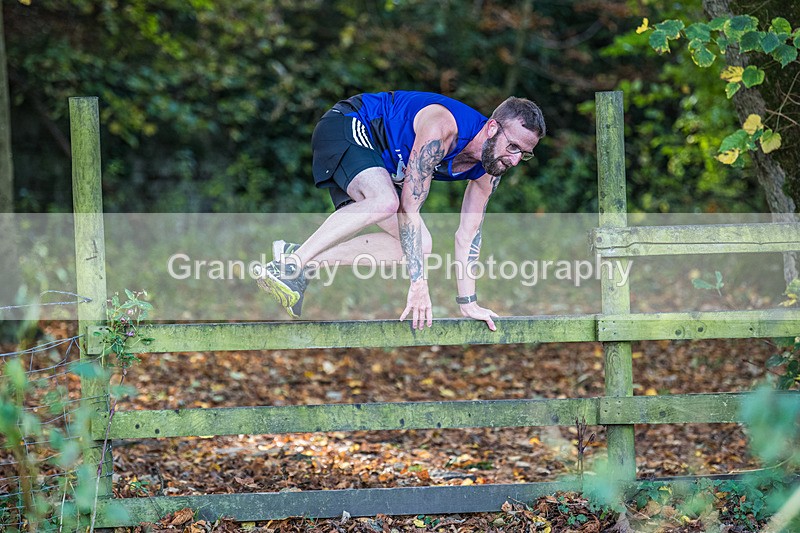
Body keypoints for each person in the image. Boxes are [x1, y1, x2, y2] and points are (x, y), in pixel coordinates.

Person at [256, 90, 545, 330]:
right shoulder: (443, 128)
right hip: (350, 124)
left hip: (376, 162)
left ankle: (302, 260)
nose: (516, 160)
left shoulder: (489, 169)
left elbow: (468, 235)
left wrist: (468, 302)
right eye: (513, 147)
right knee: (387, 202)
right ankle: (289, 265)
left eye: (525, 153)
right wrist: (419, 284)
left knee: (422, 246)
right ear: (493, 128)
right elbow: (409, 208)